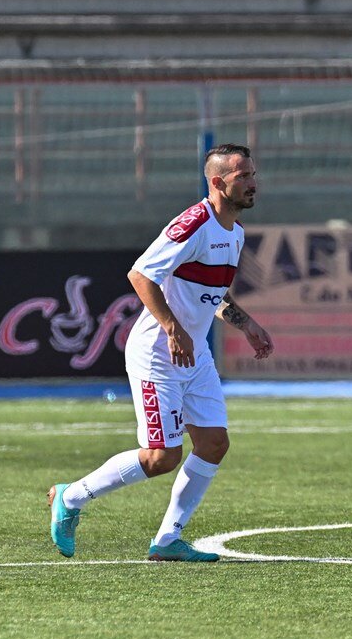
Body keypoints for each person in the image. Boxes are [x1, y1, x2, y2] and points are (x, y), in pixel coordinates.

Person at [48, 143, 273, 561]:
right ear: (217, 182)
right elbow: (140, 275)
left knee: (214, 444)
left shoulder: (235, 232)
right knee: (161, 457)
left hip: (194, 355)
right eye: (243, 176)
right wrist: (171, 327)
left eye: (253, 175)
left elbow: (212, 294)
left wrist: (247, 325)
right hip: (158, 353)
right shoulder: (192, 223)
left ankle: (167, 541)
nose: (252, 183)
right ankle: (72, 497)